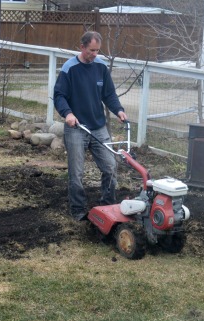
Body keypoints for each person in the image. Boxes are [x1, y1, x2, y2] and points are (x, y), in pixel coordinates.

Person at [53, 31, 128, 221]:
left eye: (97, 51)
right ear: (82, 47)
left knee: (110, 166)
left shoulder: (100, 67)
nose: (94, 54)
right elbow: (59, 95)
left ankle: (107, 206)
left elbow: (109, 94)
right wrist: (68, 113)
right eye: (91, 50)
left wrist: (118, 110)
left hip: (98, 127)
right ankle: (78, 211)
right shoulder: (69, 69)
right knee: (76, 172)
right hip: (77, 127)